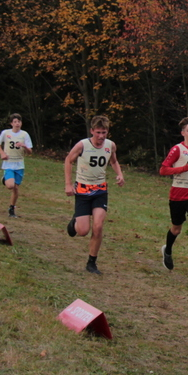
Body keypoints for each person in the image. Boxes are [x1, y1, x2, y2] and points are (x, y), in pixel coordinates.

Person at [63, 115, 125, 275]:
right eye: (98, 132)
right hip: (82, 191)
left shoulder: (110, 145)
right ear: (92, 131)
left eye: (104, 132)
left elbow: (113, 161)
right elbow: (68, 160)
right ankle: (75, 223)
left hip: (100, 191)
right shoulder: (82, 145)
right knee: (83, 231)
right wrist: (68, 184)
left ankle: (92, 262)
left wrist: (119, 174)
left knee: (98, 226)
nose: (101, 136)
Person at [158, 116, 188, 276]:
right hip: (178, 195)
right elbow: (163, 170)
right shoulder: (177, 149)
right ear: (183, 133)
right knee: (176, 228)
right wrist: (183, 168)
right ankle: (167, 250)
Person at [0, 113, 33, 218]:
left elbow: (30, 152)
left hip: (19, 165)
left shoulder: (25, 135)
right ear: (11, 123)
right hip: (8, 163)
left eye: (19, 122)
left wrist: (25, 146)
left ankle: (11, 209)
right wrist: (2, 153)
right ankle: (5, 179)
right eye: (15, 122)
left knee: (15, 188)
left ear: (21, 123)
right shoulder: (6, 133)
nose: (17, 124)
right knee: (10, 186)